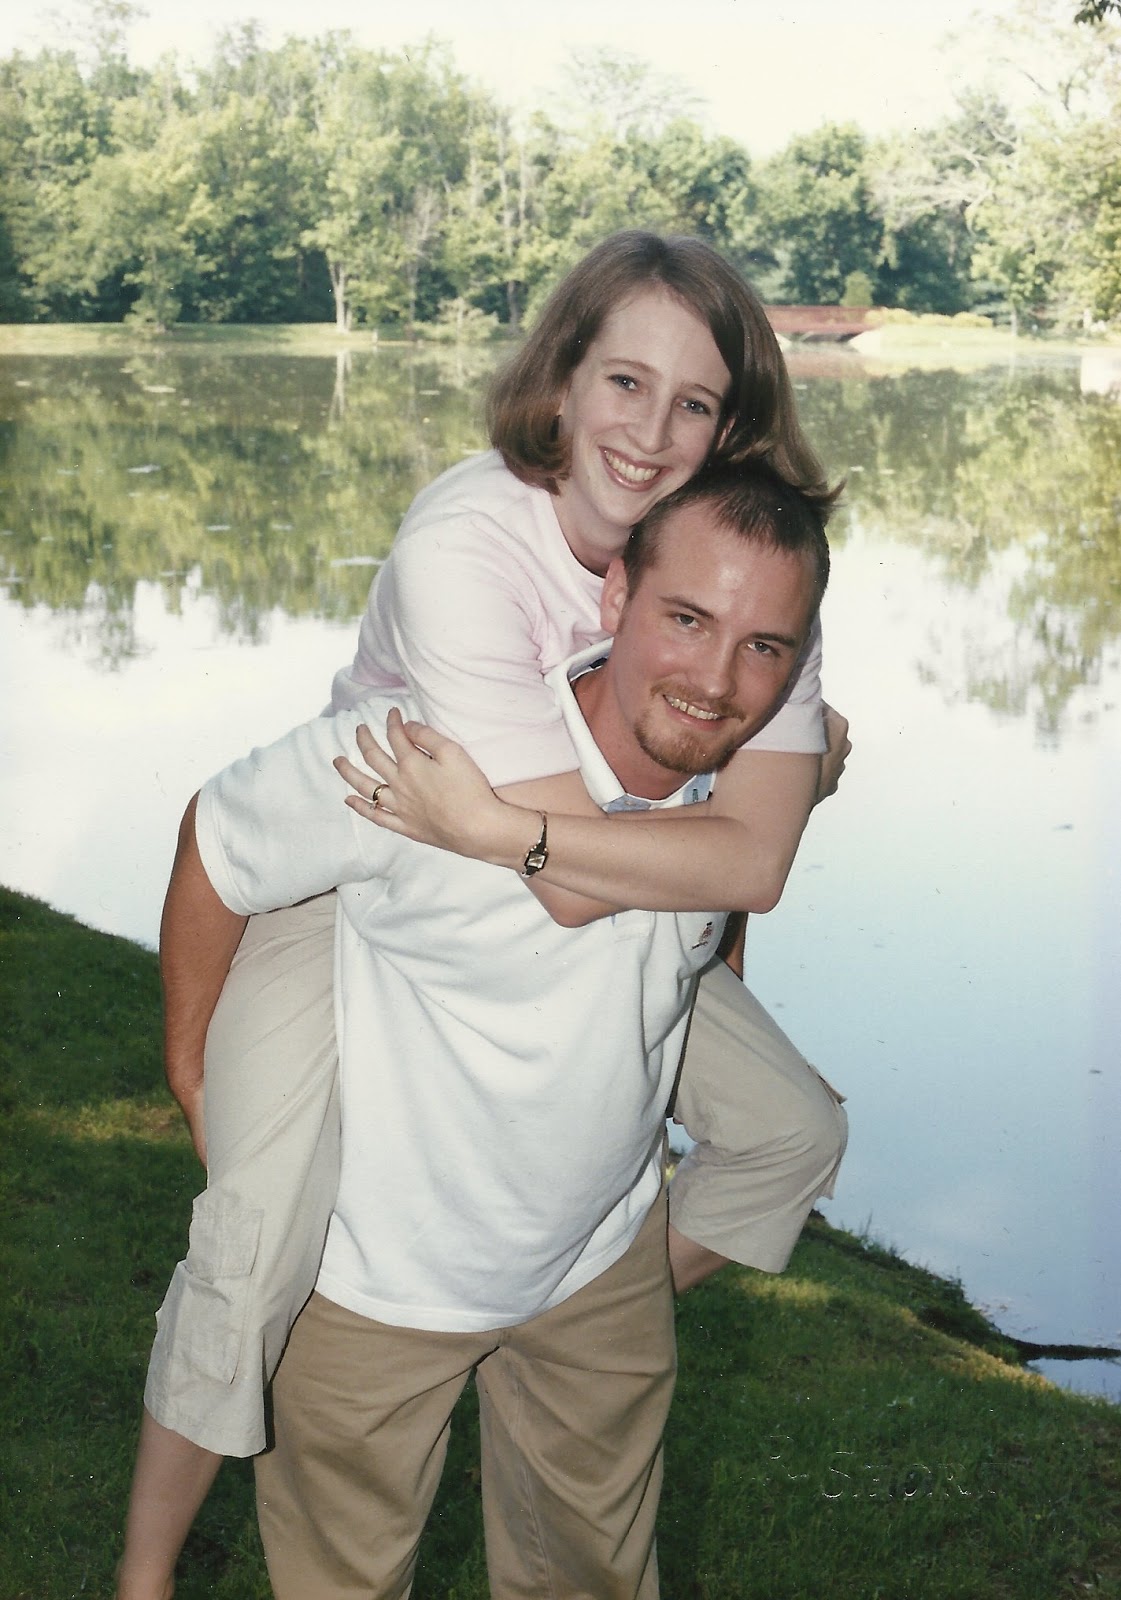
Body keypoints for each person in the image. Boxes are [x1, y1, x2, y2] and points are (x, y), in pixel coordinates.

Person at [117, 232, 848, 1600]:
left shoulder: (750, 575)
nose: (651, 434)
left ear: (731, 425)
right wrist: (190, 1057)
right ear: (561, 379)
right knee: (256, 1238)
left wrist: (746, 846)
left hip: (554, 859)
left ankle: (561, 1303)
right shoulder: (465, 550)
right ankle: (145, 1572)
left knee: (788, 1124)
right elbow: (565, 882)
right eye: (624, 383)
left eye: (693, 402)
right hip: (389, 841)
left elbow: (736, 866)